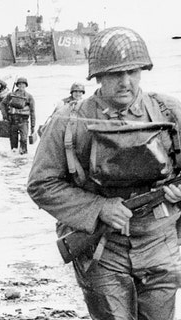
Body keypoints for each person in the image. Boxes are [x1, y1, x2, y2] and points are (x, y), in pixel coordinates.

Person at [27, 27, 181, 320]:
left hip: (158, 241)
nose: (126, 82)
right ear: (97, 76)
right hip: (102, 247)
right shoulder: (69, 122)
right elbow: (41, 184)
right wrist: (99, 208)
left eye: (133, 72)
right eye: (115, 74)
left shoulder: (169, 112)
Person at [1, 77, 35, 154]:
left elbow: (32, 112)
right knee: (13, 143)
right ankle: (14, 160)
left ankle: (23, 158)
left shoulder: (29, 97)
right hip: (13, 121)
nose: (21, 86)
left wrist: (33, 127)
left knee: (24, 140)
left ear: (26, 85)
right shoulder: (11, 95)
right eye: (19, 84)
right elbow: (2, 104)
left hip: (24, 121)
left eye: (23, 84)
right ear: (17, 85)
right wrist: (5, 115)